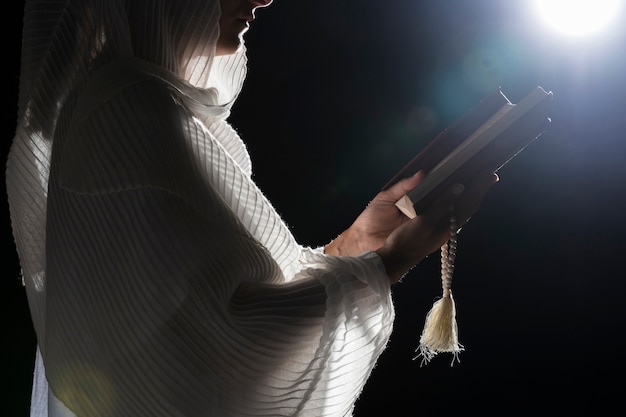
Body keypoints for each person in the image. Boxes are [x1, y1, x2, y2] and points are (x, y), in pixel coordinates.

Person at [6, 0, 497, 416]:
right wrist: (389, 262)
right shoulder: (132, 108)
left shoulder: (123, 106)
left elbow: (197, 319)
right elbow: (223, 357)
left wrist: (359, 244)